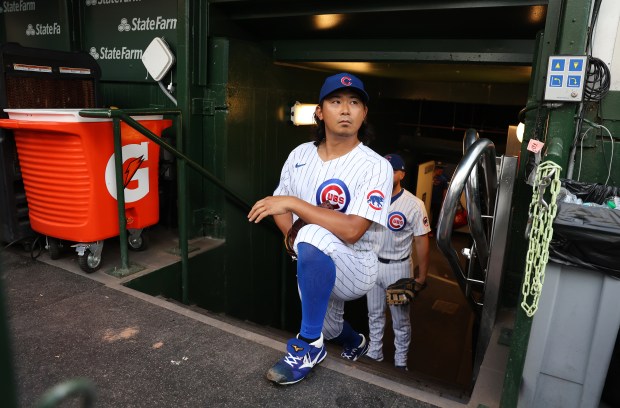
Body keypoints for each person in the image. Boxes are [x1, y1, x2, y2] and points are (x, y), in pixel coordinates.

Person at [248, 73, 392, 385]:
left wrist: (296, 208)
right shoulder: (299, 155)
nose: (345, 110)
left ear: (364, 113)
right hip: (316, 261)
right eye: (336, 101)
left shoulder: (376, 165)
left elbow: (353, 230)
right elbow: (278, 208)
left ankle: (308, 348)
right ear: (319, 111)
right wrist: (291, 236)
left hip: (358, 265)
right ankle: (355, 341)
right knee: (329, 326)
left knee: (311, 233)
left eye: (355, 103)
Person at [366, 153, 431, 370]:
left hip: (399, 268)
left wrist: (421, 276)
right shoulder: (370, 198)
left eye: (393, 170)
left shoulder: (414, 204)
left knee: (400, 321)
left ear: (402, 173)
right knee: (374, 314)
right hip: (373, 264)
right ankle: (374, 354)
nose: (388, 174)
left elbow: (422, 241)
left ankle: (400, 362)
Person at [430, 164, 449, 234]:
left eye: (442, 169)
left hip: (437, 201)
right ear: (435, 169)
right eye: (439, 169)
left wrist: (443, 202)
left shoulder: (444, 179)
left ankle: (431, 230)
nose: (441, 170)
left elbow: (445, 191)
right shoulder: (430, 177)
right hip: (429, 200)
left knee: (435, 216)